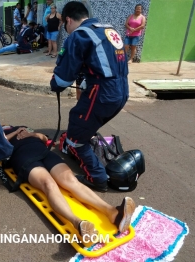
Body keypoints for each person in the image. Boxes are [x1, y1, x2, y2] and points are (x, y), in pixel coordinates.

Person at [50, 1, 129, 192]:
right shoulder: (109, 29)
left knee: (76, 135)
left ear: (68, 19)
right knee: (85, 122)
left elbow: (63, 78)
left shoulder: (79, 35)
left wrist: (55, 84)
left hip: (101, 94)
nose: (65, 30)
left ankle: (97, 178)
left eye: (64, 25)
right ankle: (88, 144)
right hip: (122, 91)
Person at [3, 126, 136, 237]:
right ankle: (78, 223)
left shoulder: (24, 128)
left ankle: (113, 213)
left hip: (44, 152)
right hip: (23, 157)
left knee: (71, 180)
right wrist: (15, 133)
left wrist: (31, 134)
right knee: (49, 184)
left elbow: (45, 139)